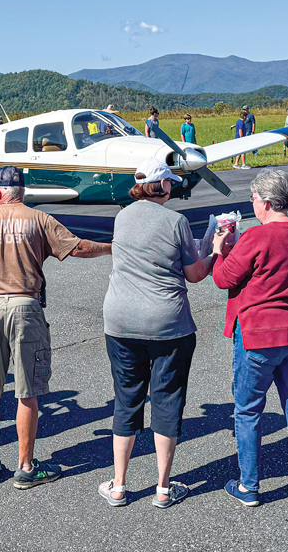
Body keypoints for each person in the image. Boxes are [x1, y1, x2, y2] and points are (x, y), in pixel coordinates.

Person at [0, 166, 111, 488]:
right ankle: (25, 467)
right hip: (26, 307)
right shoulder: (38, 219)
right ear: (21, 192)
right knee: (27, 391)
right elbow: (78, 247)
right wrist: (113, 247)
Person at [212, 170, 288, 509]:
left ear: (265, 202)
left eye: (253, 198)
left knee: (248, 410)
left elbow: (224, 279)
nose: (252, 204)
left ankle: (249, 486)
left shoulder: (256, 236)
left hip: (259, 334)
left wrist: (220, 250)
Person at [99, 158, 214, 509]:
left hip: (120, 321)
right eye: (170, 182)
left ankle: (118, 485)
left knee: (127, 398)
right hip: (168, 324)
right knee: (166, 400)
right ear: (162, 186)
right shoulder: (177, 221)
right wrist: (214, 248)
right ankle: (163, 488)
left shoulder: (122, 216)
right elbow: (194, 274)